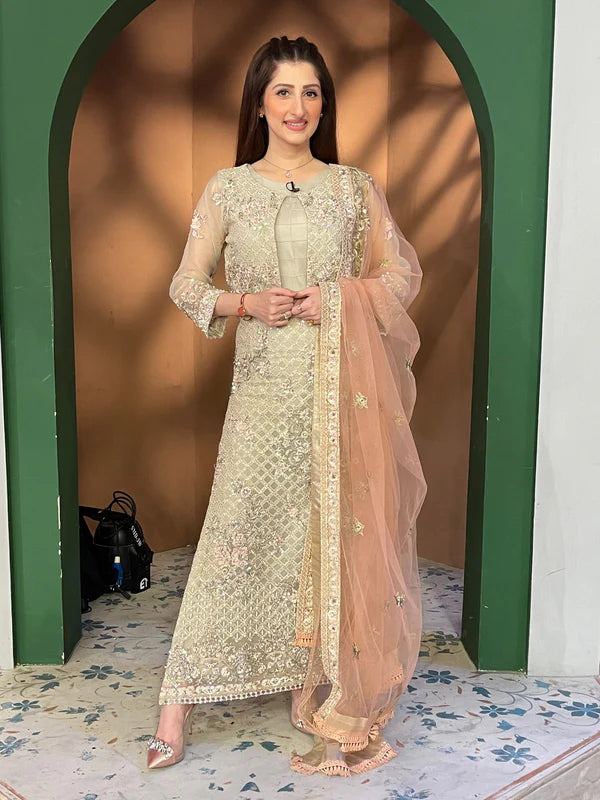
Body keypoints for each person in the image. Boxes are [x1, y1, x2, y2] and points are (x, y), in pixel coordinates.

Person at [146, 34, 427, 777]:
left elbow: (400, 276)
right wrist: (244, 302)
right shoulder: (229, 189)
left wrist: (339, 299)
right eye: (283, 92)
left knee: (329, 537)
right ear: (259, 104)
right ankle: (177, 703)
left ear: (323, 105)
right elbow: (184, 283)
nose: (298, 107)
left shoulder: (354, 188)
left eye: (311, 93)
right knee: (234, 537)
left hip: (341, 396)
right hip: (263, 394)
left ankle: (319, 678)